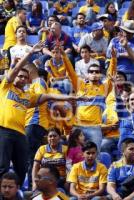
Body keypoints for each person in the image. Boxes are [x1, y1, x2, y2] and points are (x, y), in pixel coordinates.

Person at [0, 41, 84, 185]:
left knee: (22, 167)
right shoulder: (6, 87)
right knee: (3, 166)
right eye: (19, 76)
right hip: (5, 130)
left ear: (28, 80)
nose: (22, 78)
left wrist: (69, 98)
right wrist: (30, 53)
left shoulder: (28, 95)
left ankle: (17, 192)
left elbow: (49, 97)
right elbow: (15, 70)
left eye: (25, 77)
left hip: (23, 133)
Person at [64, 45, 116, 155]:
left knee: (95, 155)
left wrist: (113, 59)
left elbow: (111, 74)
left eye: (97, 72)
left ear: (100, 74)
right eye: (91, 72)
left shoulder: (104, 88)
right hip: (78, 127)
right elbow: (70, 71)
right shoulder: (80, 85)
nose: (94, 74)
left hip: (95, 128)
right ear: (87, 75)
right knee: (74, 155)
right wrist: (64, 55)